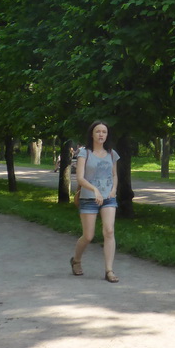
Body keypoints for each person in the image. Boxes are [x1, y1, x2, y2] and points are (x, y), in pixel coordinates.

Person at [71, 120, 121, 283]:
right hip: (88, 198)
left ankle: (109, 270)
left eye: (104, 132)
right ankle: (76, 260)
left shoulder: (112, 153)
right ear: (92, 134)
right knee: (88, 236)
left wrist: (113, 190)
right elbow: (80, 177)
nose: (101, 134)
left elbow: (114, 174)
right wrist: (95, 190)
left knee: (109, 231)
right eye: (98, 131)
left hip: (108, 198)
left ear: (107, 135)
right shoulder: (84, 152)